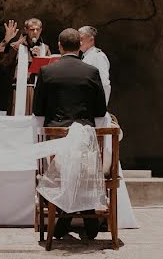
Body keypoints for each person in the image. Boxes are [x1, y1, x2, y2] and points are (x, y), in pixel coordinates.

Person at [33, 28, 107, 240]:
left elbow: (38, 111)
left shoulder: (47, 72)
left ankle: (66, 215)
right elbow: (100, 110)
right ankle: (86, 214)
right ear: (79, 46)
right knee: (81, 166)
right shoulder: (91, 72)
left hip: (56, 146)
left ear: (59, 46)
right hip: (85, 145)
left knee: (63, 167)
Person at [0, 18, 51, 115]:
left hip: (37, 92)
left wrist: (39, 58)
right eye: (32, 29)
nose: (35, 32)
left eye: (38, 29)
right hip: (18, 91)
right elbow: (3, 62)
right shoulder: (16, 46)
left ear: (41, 30)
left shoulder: (44, 49)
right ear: (25, 30)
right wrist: (6, 41)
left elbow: (49, 73)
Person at [79, 25, 111, 104]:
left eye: (81, 39)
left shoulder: (98, 56)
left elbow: (104, 84)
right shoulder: (86, 56)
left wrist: (102, 107)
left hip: (94, 107)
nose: (79, 42)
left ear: (91, 39)